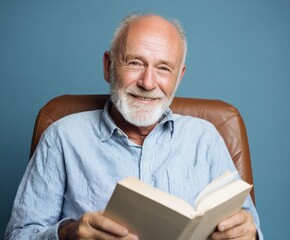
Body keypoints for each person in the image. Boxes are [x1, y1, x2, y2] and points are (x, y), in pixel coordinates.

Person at [5, 13, 263, 240]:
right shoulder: (62, 137)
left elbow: (250, 227)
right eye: (135, 63)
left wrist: (247, 233)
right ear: (108, 66)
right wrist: (68, 233)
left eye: (163, 68)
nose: (148, 83)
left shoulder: (205, 137)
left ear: (179, 77)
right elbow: (18, 235)